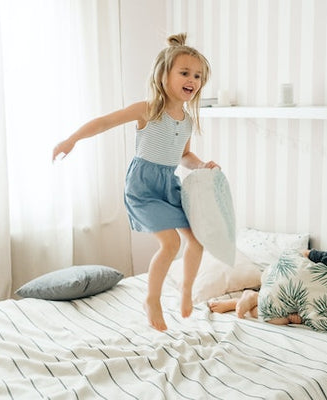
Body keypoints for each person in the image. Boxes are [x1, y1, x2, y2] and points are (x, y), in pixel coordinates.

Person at [52, 33, 218, 331]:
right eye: (184, 72)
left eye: (197, 75)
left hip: (169, 185)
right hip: (143, 186)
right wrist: (71, 139)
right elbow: (105, 121)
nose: (192, 79)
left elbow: (185, 155)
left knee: (196, 241)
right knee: (170, 243)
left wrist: (202, 165)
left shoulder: (187, 119)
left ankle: (185, 290)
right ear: (164, 74)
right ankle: (151, 299)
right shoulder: (149, 108)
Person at [209, 249, 327, 332]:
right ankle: (250, 296)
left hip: (282, 300)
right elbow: (304, 254)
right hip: (279, 277)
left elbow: (308, 315)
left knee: (277, 319)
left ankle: (245, 300)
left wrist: (298, 319)